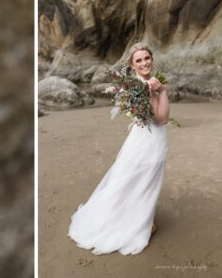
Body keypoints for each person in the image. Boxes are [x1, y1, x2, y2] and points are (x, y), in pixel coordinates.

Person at [67, 42, 170, 255]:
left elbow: (148, 117)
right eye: (139, 60)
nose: (144, 62)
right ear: (132, 65)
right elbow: (161, 119)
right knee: (137, 181)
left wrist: (161, 90)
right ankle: (133, 224)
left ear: (152, 59)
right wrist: (159, 93)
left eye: (146, 58)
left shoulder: (148, 83)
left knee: (142, 181)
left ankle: (142, 218)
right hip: (146, 141)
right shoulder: (138, 86)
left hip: (148, 138)